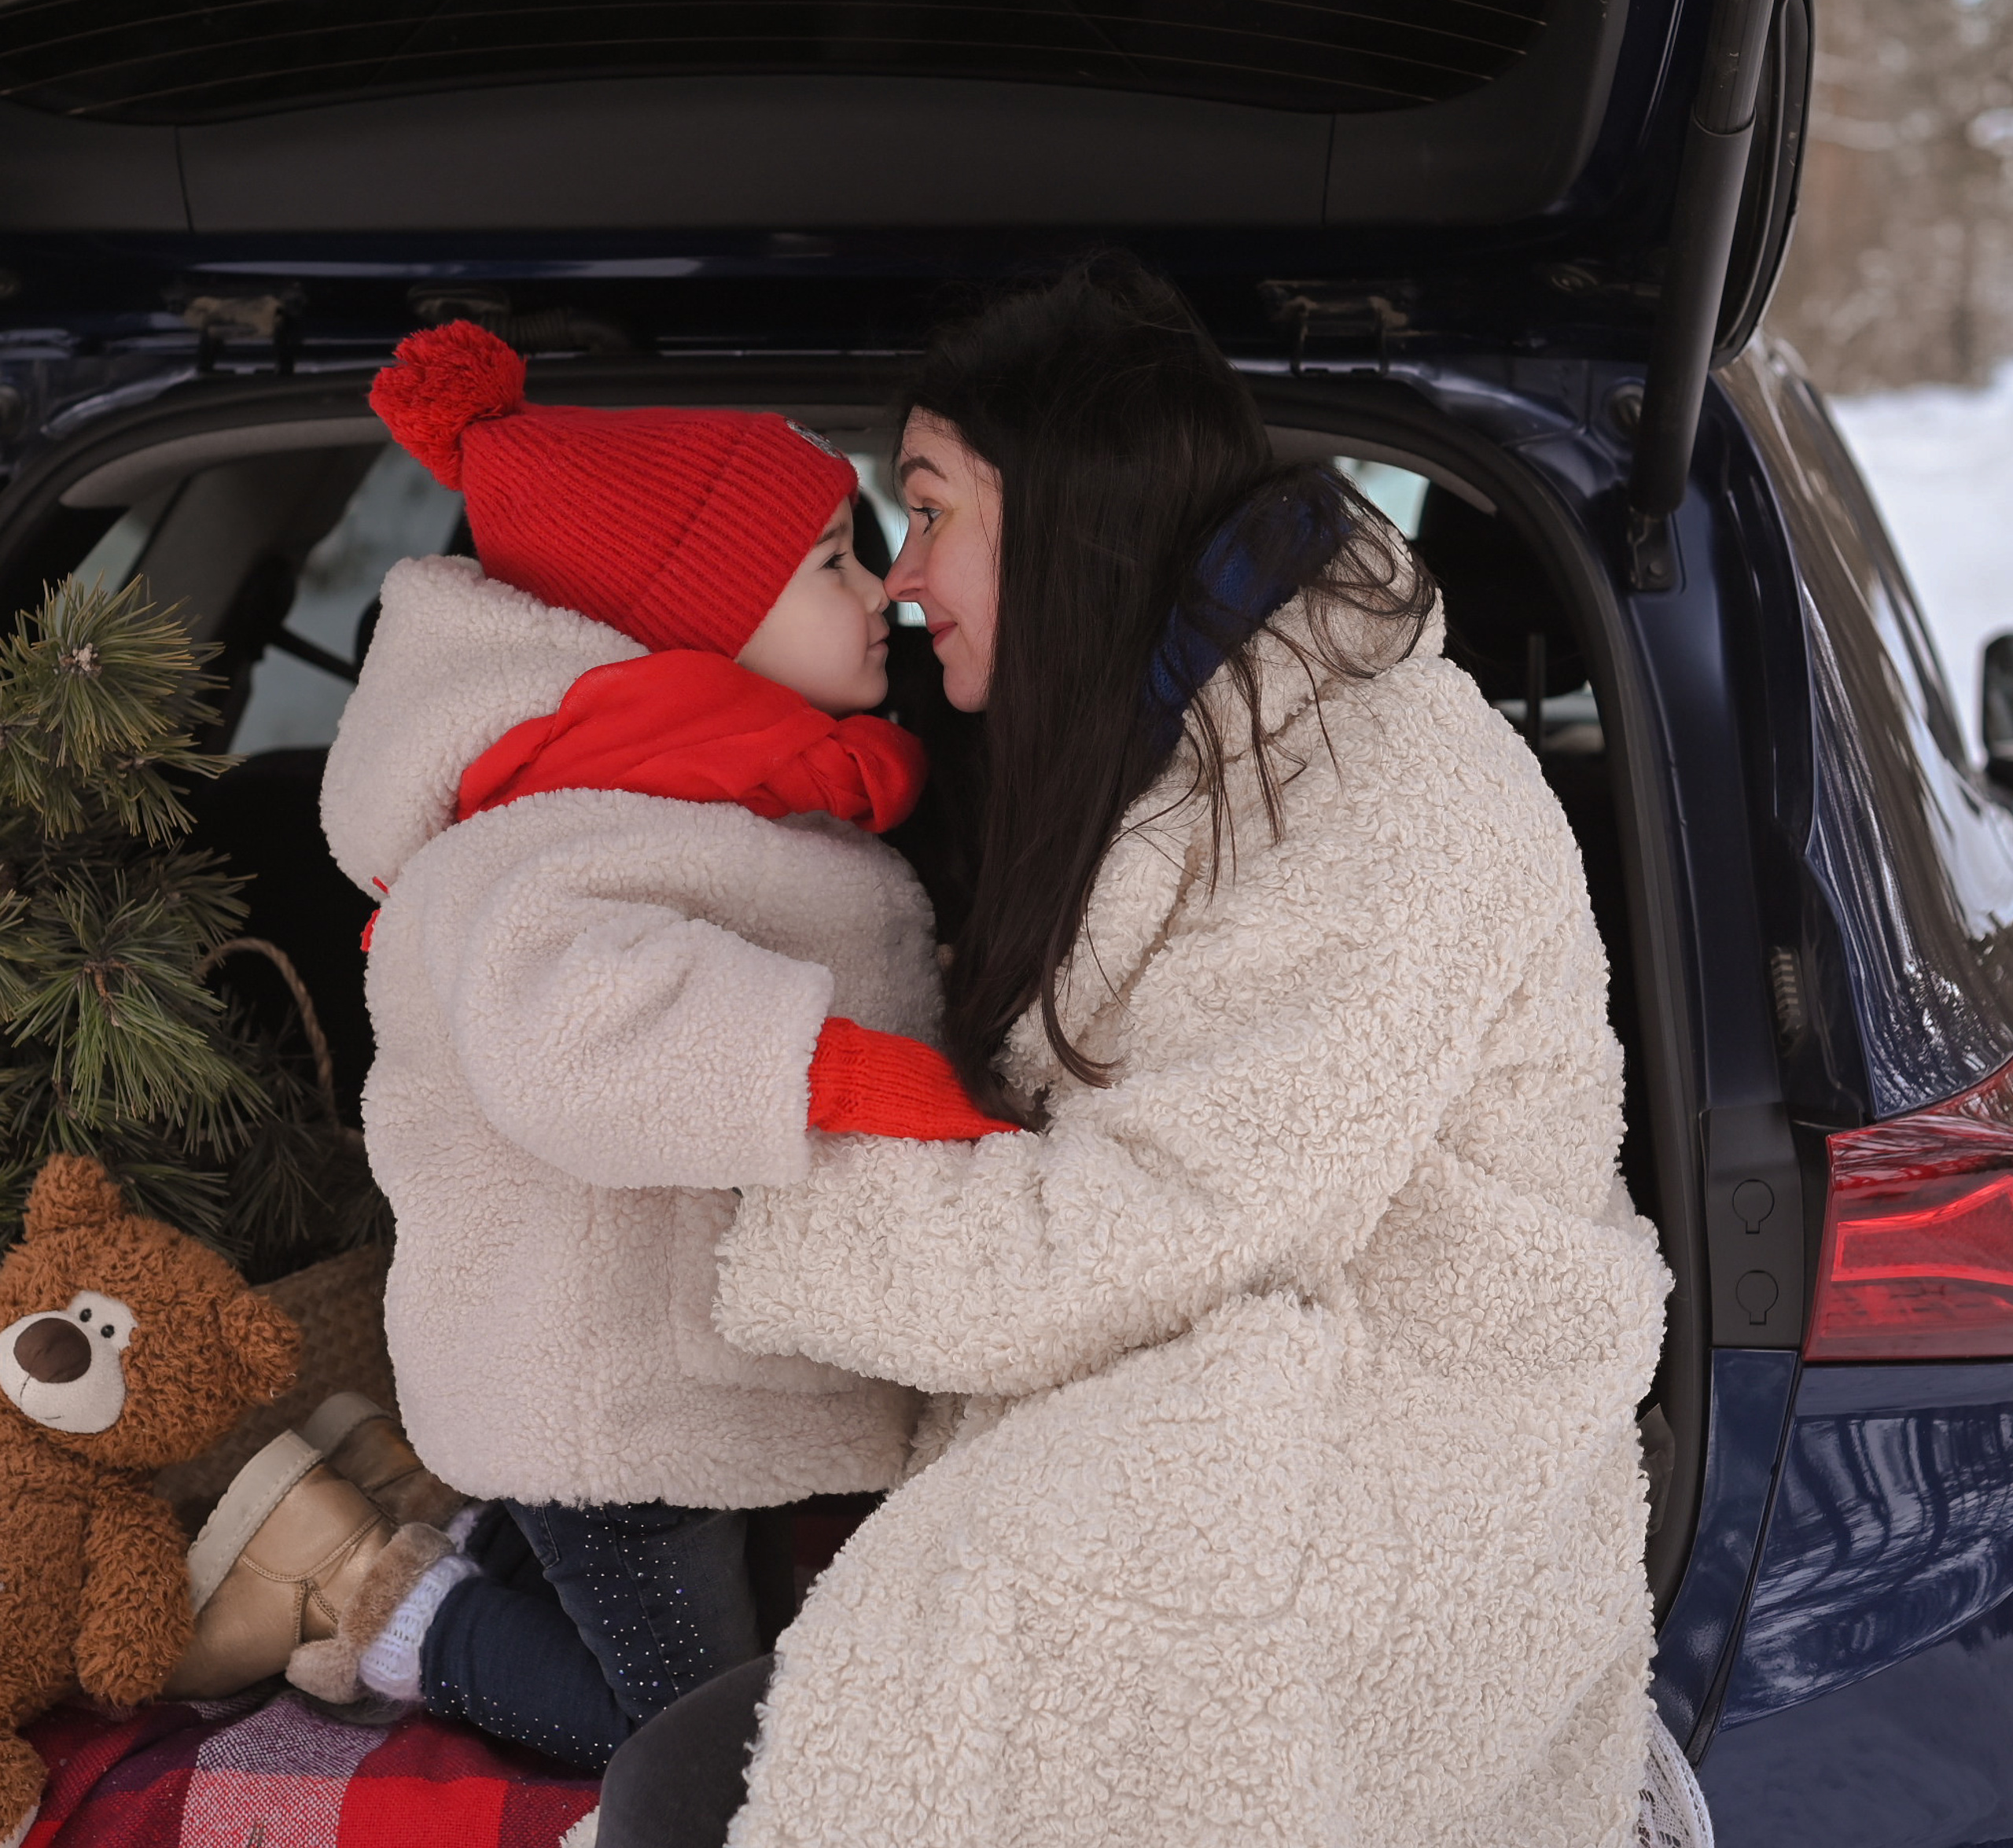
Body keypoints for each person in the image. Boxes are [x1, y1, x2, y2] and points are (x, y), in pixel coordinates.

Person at [598, 259, 1673, 1848]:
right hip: (1221, 1382)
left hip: (1395, 1460)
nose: (898, 578)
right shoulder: (1180, 753)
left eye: (930, 507)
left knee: (688, 1789)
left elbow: (1159, 1217)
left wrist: (757, 1226)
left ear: (1067, 508)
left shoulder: (1386, 793)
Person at [294, 322, 1011, 1769]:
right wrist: (841, 1070)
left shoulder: (710, 799)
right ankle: (412, 1616)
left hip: (679, 1374)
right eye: (831, 562)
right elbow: (569, 1029)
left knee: (728, 1652)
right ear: (695, 615)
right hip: (605, 1391)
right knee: (711, 1741)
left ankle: (484, 1570)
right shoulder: (564, 833)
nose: (883, 594)